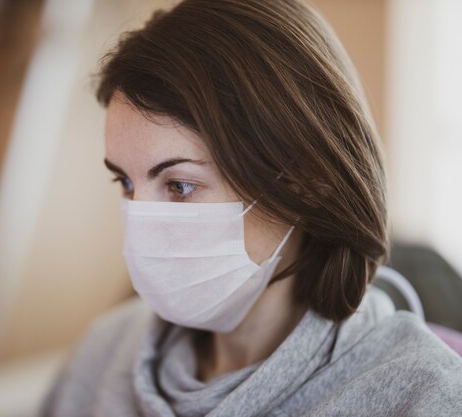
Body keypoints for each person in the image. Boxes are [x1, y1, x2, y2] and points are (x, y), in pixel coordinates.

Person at [41, 0, 462, 415]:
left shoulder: (420, 395)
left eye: (180, 185)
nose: (141, 222)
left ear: (308, 180)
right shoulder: (103, 352)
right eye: (126, 182)